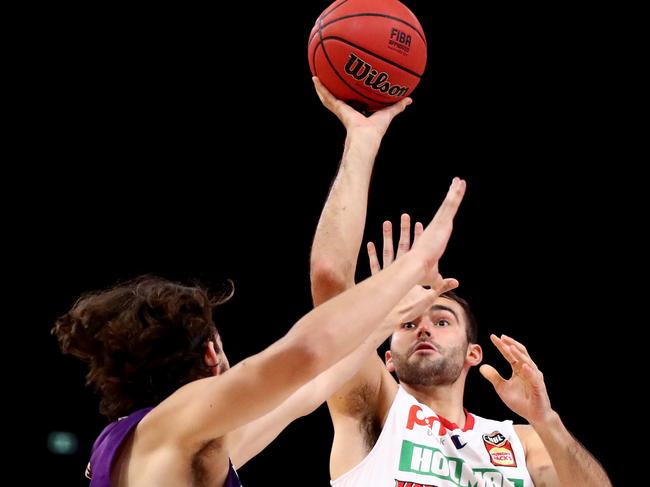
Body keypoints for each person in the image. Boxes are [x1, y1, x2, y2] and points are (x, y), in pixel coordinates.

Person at [51, 175, 466, 487]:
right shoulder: (181, 417)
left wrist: (390, 319)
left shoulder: (171, 443)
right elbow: (306, 351)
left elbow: (309, 387)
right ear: (212, 354)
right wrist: (413, 263)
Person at [309, 76, 612, 487]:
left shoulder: (519, 441)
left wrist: (546, 420)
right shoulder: (375, 410)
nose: (424, 328)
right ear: (388, 360)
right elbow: (330, 285)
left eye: (442, 320)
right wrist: (361, 143)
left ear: (473, 354)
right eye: (408, 323)